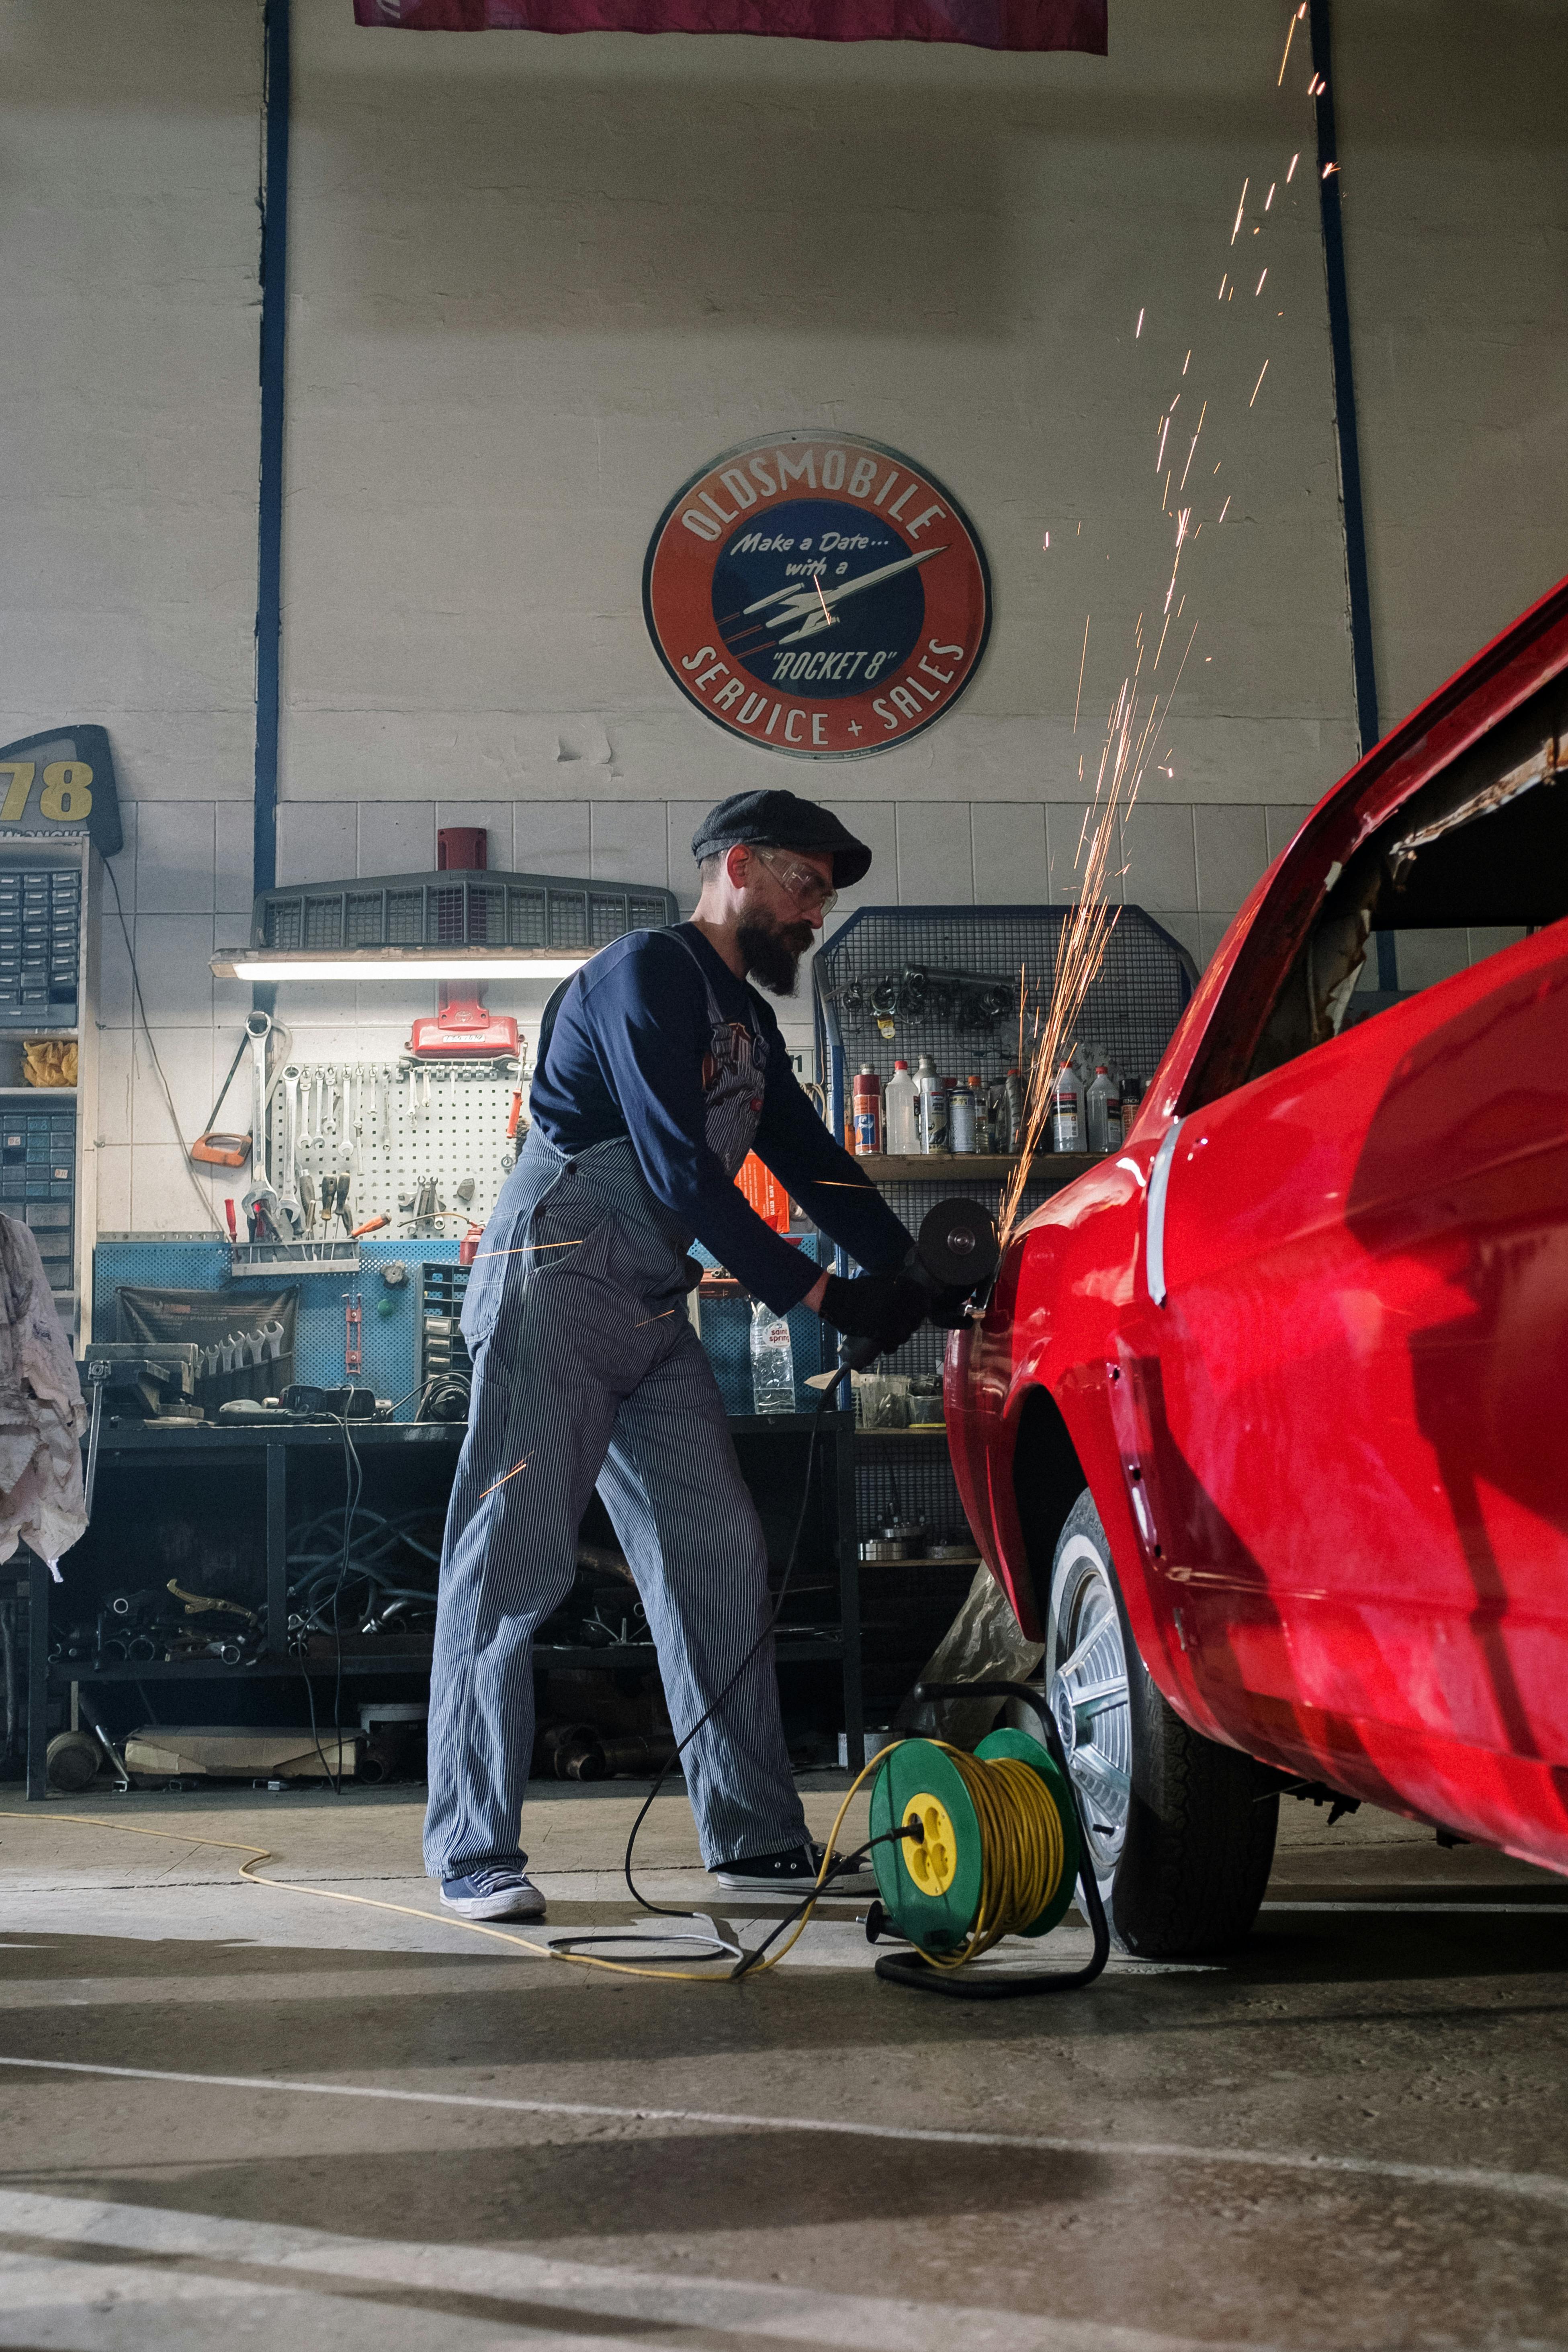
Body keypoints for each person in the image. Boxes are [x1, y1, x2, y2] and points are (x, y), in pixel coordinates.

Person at [424, 788, 927, 1920]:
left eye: (827, 899)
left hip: (650, 1305)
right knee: (512, 1566)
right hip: (555, 1278)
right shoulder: (644, 975)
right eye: (804, 887)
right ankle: (472, 1851)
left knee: (718, 1551)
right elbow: (677, 1172)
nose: (815, 915)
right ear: (737, 867)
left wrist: (920, 1268)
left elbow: (812, 1163)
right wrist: (819, 1297)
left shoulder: (748, 1026)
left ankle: (750, 1837)